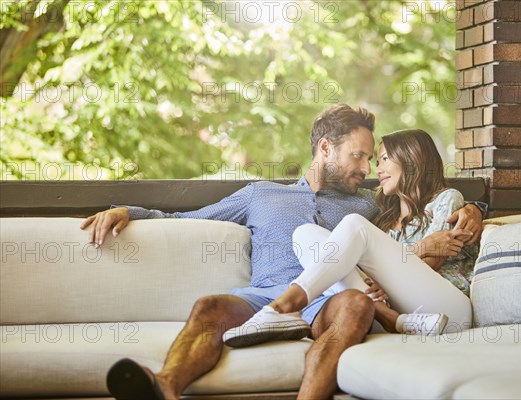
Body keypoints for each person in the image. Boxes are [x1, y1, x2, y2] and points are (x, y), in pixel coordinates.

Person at [81, 105, 484, 400]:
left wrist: (474, 211)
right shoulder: (260, 194)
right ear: (325, 148)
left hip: (330, 300)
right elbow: (186, 217)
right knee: (209, 307)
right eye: (358, 156)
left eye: (370, 158)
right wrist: (126, 211)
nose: (366, 167)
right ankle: (165, 387)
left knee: (355, 306)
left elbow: (422, 210)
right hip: (264, 297)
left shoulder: (370, 204)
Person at [223, 129, 479, 348]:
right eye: (377, 162)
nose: (377, 170)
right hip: (410, 314)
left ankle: (284, 305)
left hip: (449, 309)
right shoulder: (384, 216)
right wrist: (396, 265)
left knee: (354, 224)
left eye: (385, 159)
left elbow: (432, 262)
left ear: (412, 159)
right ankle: (392, 319)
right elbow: (385, 270)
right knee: (305, 235)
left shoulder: (447, 199)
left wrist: (475, 209)